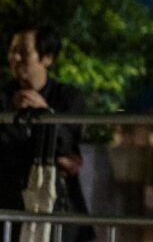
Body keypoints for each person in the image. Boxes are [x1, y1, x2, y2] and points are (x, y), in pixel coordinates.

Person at [0, 24, 94, 242]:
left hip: (57, 206)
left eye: (23, 52)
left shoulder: (68, 97)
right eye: (12, 51)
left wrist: (45, 113)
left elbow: (67, 146)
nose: (15, 58)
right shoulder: (4, 97)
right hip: (9, 205)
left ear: (47, 58)